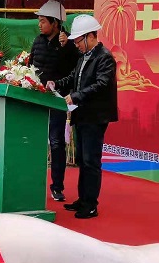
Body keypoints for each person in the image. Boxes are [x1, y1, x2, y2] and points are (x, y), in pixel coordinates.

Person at [47, 14, 118, 219]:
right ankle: (83, 199)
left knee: (91, 161)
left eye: (78, 41)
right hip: (82, 114)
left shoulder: (104, 57)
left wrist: (76, 96)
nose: (76, 45)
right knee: (82, 159)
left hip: (95, 116)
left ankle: (91, 204)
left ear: (90, 36)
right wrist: (57, 83)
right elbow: (74, 77)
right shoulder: (84, 56)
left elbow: (101, 84)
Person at [29, 0, 79, 202]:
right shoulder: (38, 41)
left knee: (56, 142)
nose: (40, 25)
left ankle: (57, 186)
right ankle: (32, 181)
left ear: (55, 23)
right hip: (36, 97)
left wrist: (67, 47)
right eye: (39, 21)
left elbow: (75, 70)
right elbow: (31, 65)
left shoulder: (69, 44)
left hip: (57, 100)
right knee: (33, 140)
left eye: (43, 21)